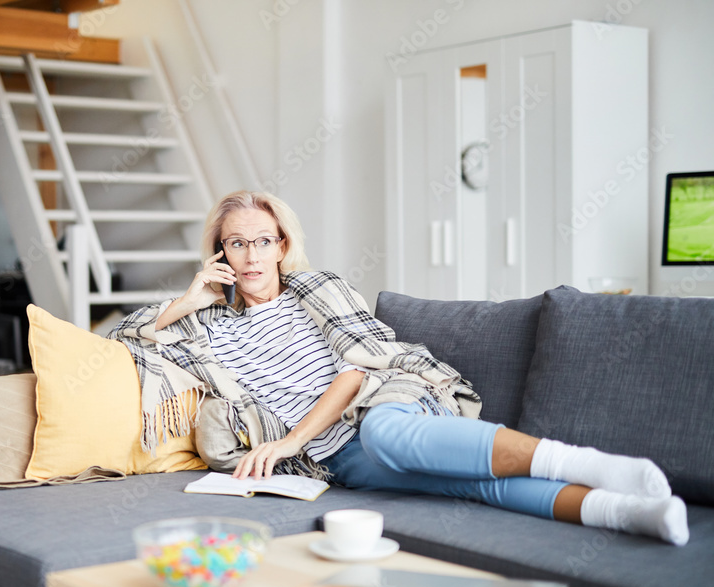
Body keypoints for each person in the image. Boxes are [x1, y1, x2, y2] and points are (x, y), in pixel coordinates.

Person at [112, 191, 689, 546]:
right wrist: (188, 300)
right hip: (340, 458)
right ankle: (626, 512)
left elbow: (357, 371)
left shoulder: (320, 291)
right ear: (220, 254)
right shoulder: (207, 327)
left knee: (389, 433)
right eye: (237, 243)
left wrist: (290, 440)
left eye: (264, 240)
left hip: (382, 403)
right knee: (468, 487)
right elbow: (116, 338)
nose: (252, 254)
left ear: (283, 245)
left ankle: (595, 465)